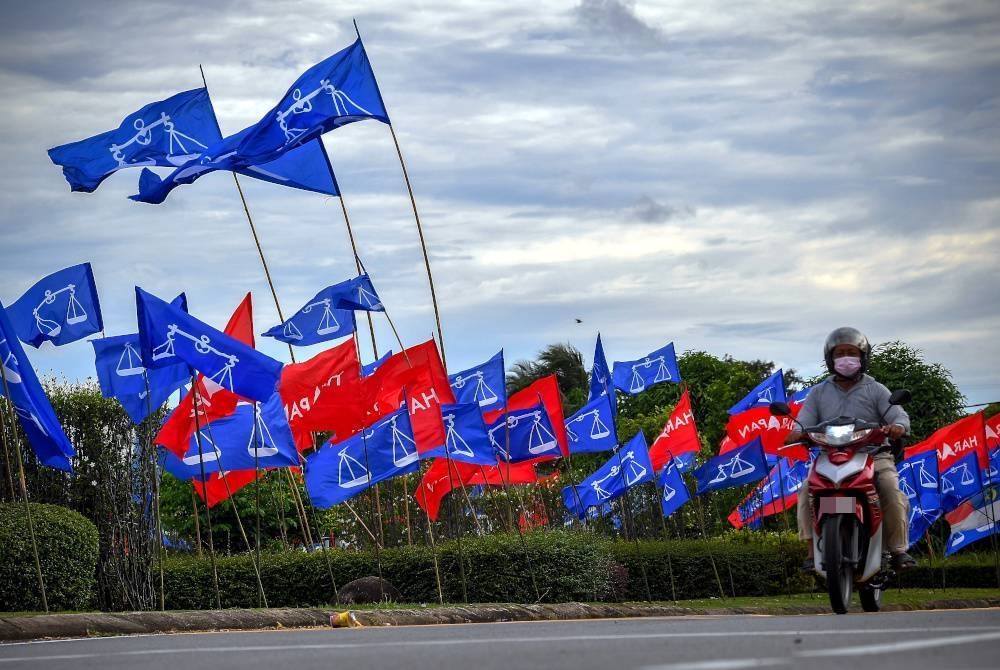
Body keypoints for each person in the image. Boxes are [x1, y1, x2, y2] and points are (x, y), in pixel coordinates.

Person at [789, 327, 916, 571]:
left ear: (863, 357)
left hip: (873, 455)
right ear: (830, 359)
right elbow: (804, 422)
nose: (846, 358)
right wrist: (797, 432)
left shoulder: (876, 389)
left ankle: (899, 550)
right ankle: (810, 552)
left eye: (851, 353)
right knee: (806, 491)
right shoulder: (818, 392)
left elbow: (897, 415)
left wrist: (898, 426)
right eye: (840, 353)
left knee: (890, 489)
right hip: (830, 456)